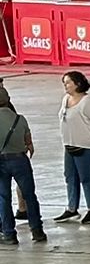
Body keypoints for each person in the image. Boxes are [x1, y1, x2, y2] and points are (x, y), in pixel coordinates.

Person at [54, 70, 90, 225]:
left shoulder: (87, 102)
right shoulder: (66, 99)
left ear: (77, 84)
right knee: (70, 176)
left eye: (68, 82)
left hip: (87, 145)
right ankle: (72, 208)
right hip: (70, 144)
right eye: (64, 83)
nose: (65, 85)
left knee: (86, 177)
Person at [0, 85, 45, 245]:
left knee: (3, 198)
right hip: (20, 160)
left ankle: (9, 234)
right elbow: (28, 143)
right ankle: (37, 231)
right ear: (8, 100)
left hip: (1, 163)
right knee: (30, 196)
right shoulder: (20, 119)